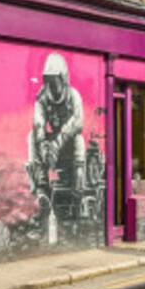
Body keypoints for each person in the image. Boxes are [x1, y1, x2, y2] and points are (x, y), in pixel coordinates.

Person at [26, 53, 86, 242]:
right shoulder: (42, 96)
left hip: (66, 144)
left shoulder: (73, 96)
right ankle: (42, 190)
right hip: (52, 146)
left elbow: (78, 122)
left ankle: (77, 192)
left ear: (63, 78)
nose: (52, 85)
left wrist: (57, 143)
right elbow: (38, 122)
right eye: (48, 80)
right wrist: (43, 144)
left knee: (79, 141)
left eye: (55, 80)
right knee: (31, 138)